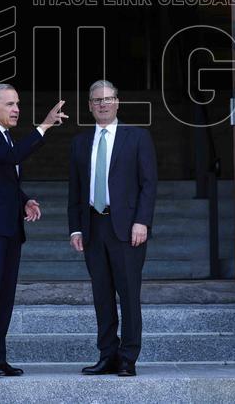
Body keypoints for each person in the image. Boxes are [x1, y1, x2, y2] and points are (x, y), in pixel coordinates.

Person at [0, 83, 68, 378]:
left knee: (5, 296)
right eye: (10, 104)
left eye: (17, 103)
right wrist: (44, 126)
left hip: (9, 226)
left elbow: (2, 179)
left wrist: (24, 201)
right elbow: (10, 159)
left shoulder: (5, 138)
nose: (17, 109)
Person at [67, 80, 158, 377]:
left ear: (118, 102)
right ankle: (107, 355)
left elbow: (149, 184)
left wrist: (142, 221)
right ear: (89, 106)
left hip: (127, 228)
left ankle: (128, 357)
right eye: (96, 100)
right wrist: (75, 229)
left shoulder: (137, 138)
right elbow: (75, 191)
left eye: (108, 99)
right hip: (93, 227)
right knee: (102, 295)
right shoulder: (80, 143)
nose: (102, 104)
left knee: (129, 294)